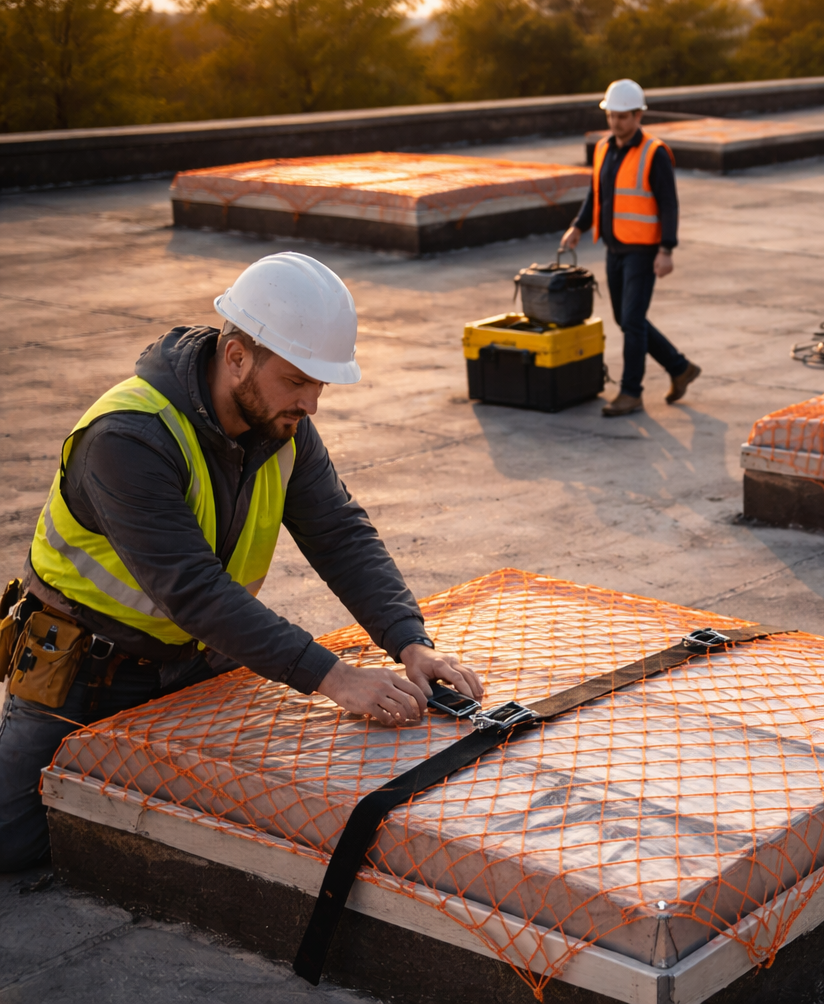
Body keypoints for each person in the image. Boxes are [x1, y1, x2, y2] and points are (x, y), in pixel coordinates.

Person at [0, 252, 483, 872]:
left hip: (201, 660)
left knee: (214, 836)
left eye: (320, 385)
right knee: (16, 845)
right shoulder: (127, 439)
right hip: (87, 672)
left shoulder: (282, 425)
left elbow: (338, 532)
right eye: (298, 380)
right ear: (236, 357)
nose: (312, 404)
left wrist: (410, 641)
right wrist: (333, 676)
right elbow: (194, 591)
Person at [560, 78, 700, 418]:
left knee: (633, 321)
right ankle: (679, 367)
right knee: (625, 318)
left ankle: (631, 392)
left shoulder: (654, 154)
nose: (616, 122)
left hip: (643, 250)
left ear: (639, 116)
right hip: (614, 247)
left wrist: (667, 249)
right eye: (611, 115)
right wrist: (578, 226)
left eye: (623, 116)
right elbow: (596, 194)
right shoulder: (603, 149)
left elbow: (669, 204)